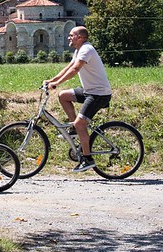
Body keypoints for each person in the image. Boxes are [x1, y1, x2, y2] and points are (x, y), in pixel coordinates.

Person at [43, 25, 112, 172]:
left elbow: (75, 69)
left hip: (98, 94)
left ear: (79, 37)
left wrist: (56, 84)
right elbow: (68, 67)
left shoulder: (87, 49)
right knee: (63, 96)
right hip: (89, 91)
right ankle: (75, 129)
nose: (69, 37)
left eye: (71, 35)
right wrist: (51, 80)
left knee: (81, 124)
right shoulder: (78, 50)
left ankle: (87, 159)